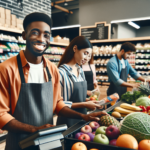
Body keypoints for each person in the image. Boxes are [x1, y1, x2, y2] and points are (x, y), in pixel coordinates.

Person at [0, 13, 107, 150]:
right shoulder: (6, 69)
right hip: (19, 143)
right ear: (24, 35)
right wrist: (34, 130)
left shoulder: (52, 69)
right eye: (35, 33)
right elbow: (1, 114)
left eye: (46, 35)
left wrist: (83, 116)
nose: (41, 39)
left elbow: (58, 104)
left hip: (47, 141)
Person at [56, 36, 102, 128]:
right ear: (75, 48)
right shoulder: (61, 72)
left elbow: (77, 97)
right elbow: (61, 104)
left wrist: (88, 100)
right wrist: (85, 104)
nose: (87, 58)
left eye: (89, 55)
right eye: (85, 53)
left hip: (83, 119)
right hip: (67, 121)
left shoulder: (80, 70)